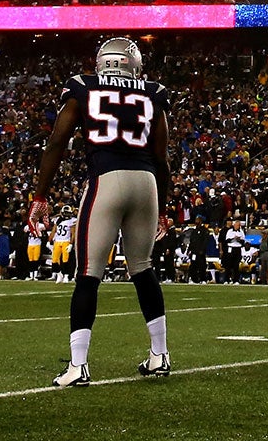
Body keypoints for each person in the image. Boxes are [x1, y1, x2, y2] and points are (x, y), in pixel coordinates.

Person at [32, 35, 174, 388]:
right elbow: (163, 156)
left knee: (89, 273)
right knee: (143, 269)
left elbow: (57, 141)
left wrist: (40, 196)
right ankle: (160, 354)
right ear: (133, 64)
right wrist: (165, 208)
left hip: (107, 179)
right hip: (147, 183)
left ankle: (78, 365)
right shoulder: (153, 91)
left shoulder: (82, 87)